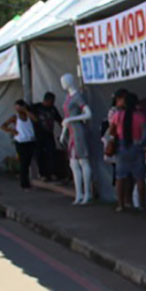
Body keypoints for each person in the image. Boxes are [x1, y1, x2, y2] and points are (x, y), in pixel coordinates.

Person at [109, 92, 146, 212]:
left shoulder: (118, 115)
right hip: (137, 147)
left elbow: (112, 131)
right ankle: (142, 205)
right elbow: (145, 133)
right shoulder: (140, 116)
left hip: (122, 146)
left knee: (120, 177)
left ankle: (121, 204)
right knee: (140, 177)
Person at [59, 74, 94, 205]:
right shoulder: (68, 97)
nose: (62, 83)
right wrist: (64, 132)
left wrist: (71, 120)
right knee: (73, 164)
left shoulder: (78, 96)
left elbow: (88, 114)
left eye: (64, 81)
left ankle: (87, 193)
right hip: (71, 132)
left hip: (78, 131)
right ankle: (78, 193)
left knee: (83, 161)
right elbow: (66, 117)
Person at [1, 99, 37, 189]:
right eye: (16, 107)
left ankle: (27, 181)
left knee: (28, 161)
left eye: (18, 107)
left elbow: (35, 119)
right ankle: (24, 184)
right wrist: (11, 130)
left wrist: (26, 111)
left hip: (30, 141)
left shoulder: (28, 116)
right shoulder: (15, 117)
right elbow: (3, 126)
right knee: (24, 162)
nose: (17, 109)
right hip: (20, 142)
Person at [31, 92, 63, 181]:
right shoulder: (36, 107)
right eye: (51, 101)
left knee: (51, 152)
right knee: (40, 154)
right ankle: (42, 173)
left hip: (49, 134)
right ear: (47, 100)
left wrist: (64, 130)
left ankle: (52, 173)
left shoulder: (52, 109)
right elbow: (27, 112)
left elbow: (59, 120)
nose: (52, 103)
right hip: (38, 134)